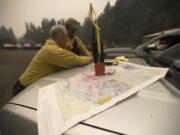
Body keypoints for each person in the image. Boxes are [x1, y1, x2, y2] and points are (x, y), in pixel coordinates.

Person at [12, 24, 92, 96]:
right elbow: (76, 60)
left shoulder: (49, 47)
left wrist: (66, 48)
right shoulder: (53, 51)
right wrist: (91, 58)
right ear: (61, 36)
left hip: (27, 85)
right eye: (66, 37)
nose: (67, 40)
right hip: (24, 88)